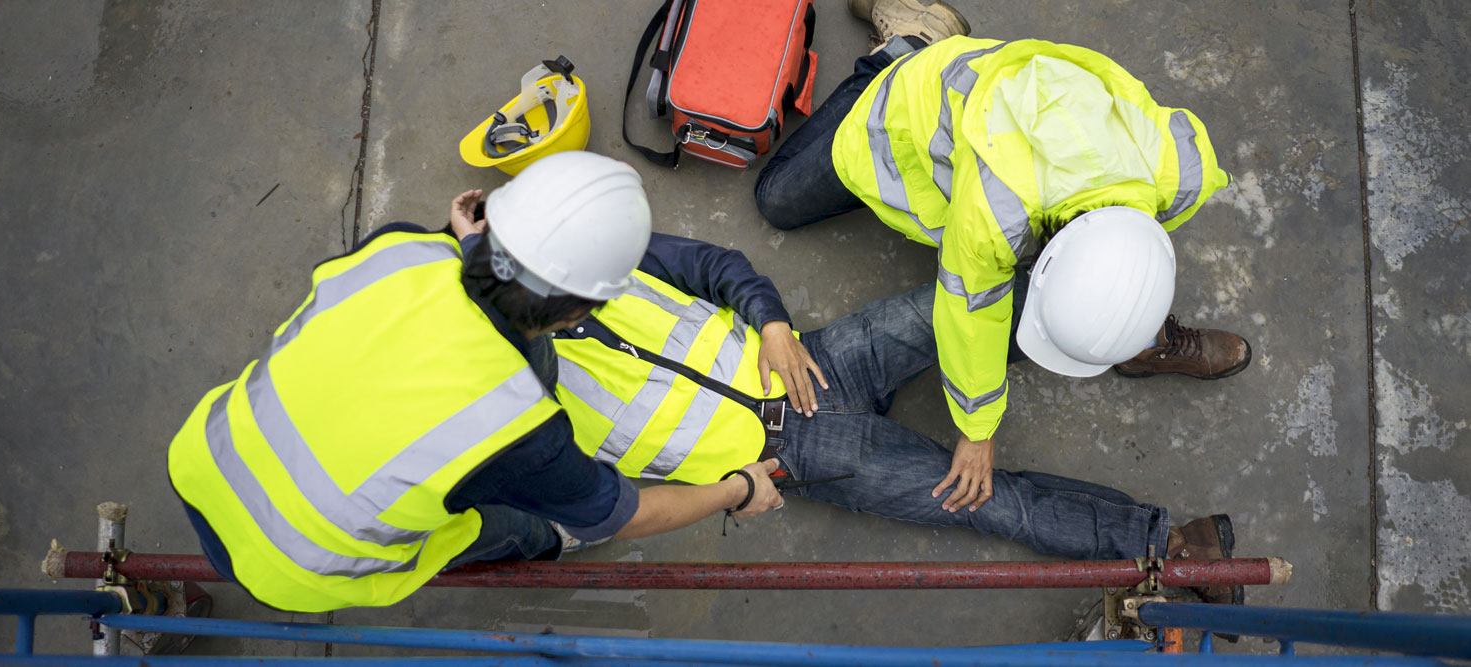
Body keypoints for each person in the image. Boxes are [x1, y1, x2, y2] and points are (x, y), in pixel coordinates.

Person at [439, 220, 1244, 607]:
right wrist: (738, 489)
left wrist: (773, 322)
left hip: (811, 356)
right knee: (983, 497)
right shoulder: (518, 420)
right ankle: (1170, 544)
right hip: (798, 449)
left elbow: (713, 266)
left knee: (961, 306)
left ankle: (1121, 333)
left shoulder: (583, 256)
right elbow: (587, 517)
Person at [166, 152, 783, 613]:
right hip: (296, 564)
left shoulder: (399, 247)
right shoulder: (520, 426)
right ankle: (544, 541)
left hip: (205, 455)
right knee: (506, 521)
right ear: (576, 314)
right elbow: (627, 516)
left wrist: (469, 248)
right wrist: (736, 490)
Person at [752, 0, 1252, 523]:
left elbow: (1136, 253)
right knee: (777, 200)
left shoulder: (1180, 170)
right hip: (907, 113)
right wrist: (977, 431)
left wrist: (1126, 314)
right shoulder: (994, 215)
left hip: (1009, 121)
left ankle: (1149, 342)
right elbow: (969, 315)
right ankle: (907, 45)